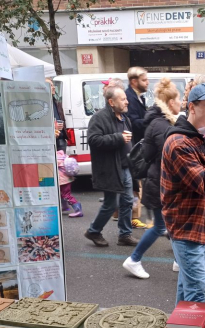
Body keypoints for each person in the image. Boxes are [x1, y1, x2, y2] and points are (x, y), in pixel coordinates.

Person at [161, 83, 205, 303]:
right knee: (197, 293)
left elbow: (204, 182)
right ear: (192, 107)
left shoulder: (197, 137)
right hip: (187, 228)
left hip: (197, 224)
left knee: (187, 287)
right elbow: (204, 182)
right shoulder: (180, 143)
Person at [123, 78, 181, 279]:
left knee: (170, 224)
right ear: (171, 102)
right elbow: (168, 157)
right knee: (160, 226)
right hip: (159, 183)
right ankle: (134, 259)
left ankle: (179, 260)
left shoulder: (156, 122)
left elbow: (148, 154)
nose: (181, 103)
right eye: (179, 99)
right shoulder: (163, 126)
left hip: (155, 181)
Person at [84, 86, 138, 247]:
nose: (127, 101)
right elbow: (94, 140)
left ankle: (125, 235)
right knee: (111, 204)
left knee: (127, 201)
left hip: (125, 166)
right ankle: (94, 230)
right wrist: (118, 138)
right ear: (111, 102)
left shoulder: (124, 118)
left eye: (126, 98)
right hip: (110, 169)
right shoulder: (99, 118)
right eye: (123, 99)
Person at [125, 67, 150, 230]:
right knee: (135, 183)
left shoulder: (138, 97)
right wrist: (151, 119)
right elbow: (134, 122)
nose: (147, 83)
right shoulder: (130, 98)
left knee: (135, 183)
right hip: (133, 145)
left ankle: (131, 217)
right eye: (144, 80)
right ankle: (132, 218)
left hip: (138, 143)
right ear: (134, 82)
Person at [57, 150, 83, 217]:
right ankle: (65, 207)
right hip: (67, 179)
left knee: (66, 195)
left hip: (62, 180)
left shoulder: (56, 158)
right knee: (63, 194)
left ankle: (78, 210)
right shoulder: (63, 156)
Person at [45, 78, 67, 153]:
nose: (53, 87)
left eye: (53, 85)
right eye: (51, 85)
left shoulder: (56, 102)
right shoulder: (42, 104)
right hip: (49, 141)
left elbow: (62, 119)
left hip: (61, 140)